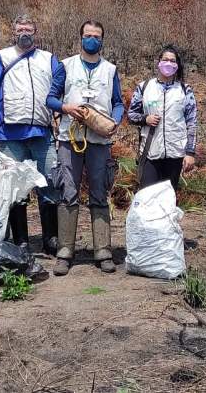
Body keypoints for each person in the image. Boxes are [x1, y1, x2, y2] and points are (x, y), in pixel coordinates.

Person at [47, 20, 125, 275]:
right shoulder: (65, 66)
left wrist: (115, 121)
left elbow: (118, 102)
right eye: (88, 35)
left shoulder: (110, 70)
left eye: (97, 36)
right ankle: (65, 252)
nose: (92, 39)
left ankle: (103, 251)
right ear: (80, 37)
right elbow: (51, 98)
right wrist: (66, 108)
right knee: (68, 191)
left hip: (100, 140)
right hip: (69, 138)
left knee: (99, 191)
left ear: (102, 40)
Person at [0, 13, 62, 254]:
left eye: (28, 29)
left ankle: (51, 239)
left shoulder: (49, 59)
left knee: (50, 184)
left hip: (43, 134)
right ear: (13, 31)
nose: (24, 33)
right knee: (15, 189)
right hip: (9, 136)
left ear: (35, 32)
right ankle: (21, 241)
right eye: (20, 29)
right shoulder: (0, 58)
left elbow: (59, 95)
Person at [127, 45, 197, 191]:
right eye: (165, 59)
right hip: (150, 151)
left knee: (168, 198)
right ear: (158, 62)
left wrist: (190, 152)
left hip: (175, 153)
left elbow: (191, 123)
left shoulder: (185, 90)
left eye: (173, 61)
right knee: (147, 196)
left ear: (177, 65)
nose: (169, 63)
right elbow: (131, 115)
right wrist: (145, 119)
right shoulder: (144, 87)